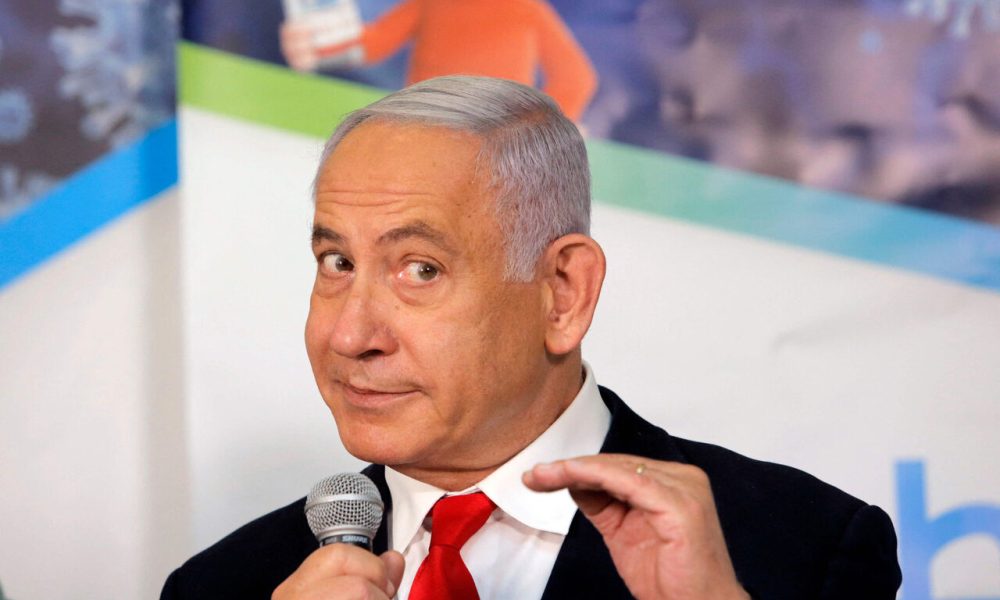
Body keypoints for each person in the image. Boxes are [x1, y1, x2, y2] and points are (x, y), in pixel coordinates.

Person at [161, 75, 901, 599]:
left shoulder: (800, 550)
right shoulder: (224, 585)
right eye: (337, 263)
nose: (351, 335)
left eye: (421, 269)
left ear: (563, 293)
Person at [279, 0, 597, 121]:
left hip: (494, 138)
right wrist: (316, 46)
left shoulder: (525, 9)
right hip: (424, 126)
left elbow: (576, 79)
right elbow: (374, 42)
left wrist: (539, 132)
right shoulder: (432, 4)